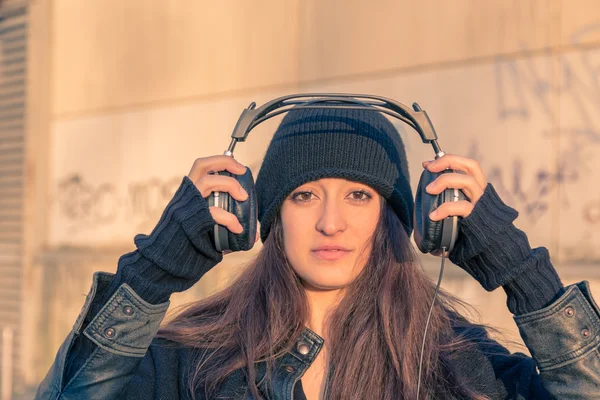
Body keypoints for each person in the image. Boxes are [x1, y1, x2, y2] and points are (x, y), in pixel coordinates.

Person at [35, 107, 600, 399]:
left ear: (394, 217)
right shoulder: (192, 361)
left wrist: (526, 275)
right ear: (268, 215)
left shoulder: (453, 360)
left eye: (359, 195)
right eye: (305, 196)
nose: (332, 223)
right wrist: (151, 273)